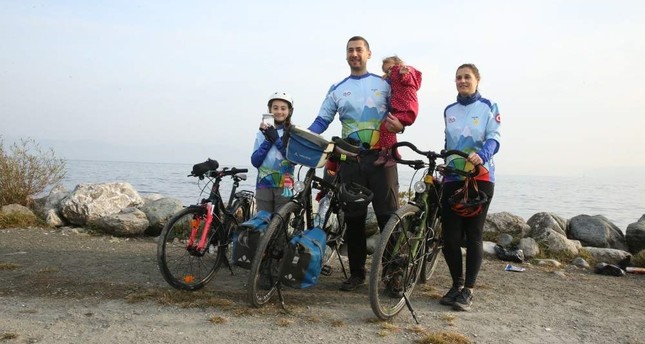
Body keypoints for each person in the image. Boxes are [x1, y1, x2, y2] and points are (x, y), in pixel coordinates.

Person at [308, 36, 406, 291]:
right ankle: (357, 274)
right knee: (354, 219)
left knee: (388, 218)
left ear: (369, 54)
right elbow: (322, 121)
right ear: (346, 55)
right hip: (351, 160)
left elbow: (403, 108)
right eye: (350, 50)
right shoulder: (338, 88)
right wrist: (304, 135)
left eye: (359, 50)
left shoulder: (384, 84)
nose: (354, 54)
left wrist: (403, 125)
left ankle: (392, 275)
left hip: (382, 158)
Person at [439, 64, 501, 311]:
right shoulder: (449, 110)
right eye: (458, 77)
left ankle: (469, 290)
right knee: (450, 238)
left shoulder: (488, 106)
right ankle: (456, 285)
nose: (462, 81)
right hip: (453, 177)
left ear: (477, 79)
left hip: (480, 177)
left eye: (467, 77)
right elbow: (448, 141)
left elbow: (495, 137)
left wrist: (483, 154)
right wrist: (445, 162)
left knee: (474, 234)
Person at [250, 92, 296, 213]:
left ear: (290, 111)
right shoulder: (261, 134)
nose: (279, 111)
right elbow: (255, 161)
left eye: (283, 108)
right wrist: (268, 139)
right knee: (261, 224)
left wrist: (276, 138)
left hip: (285, 187)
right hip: (263, 185)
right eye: (275, 108)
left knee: (280, 226)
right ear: (269, 110)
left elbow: (293, 159)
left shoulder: (293, 133)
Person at [374, 56, 422, 167]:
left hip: (407, 109)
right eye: (387, 71)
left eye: (390, 68)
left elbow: (409, 79)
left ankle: (392, 155)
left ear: (398, 63)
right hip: (402, 109)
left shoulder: (405, 72)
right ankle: (387, 152)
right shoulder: (395, 78)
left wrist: (404, 73)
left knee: (388, 127)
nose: (390, 72)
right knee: (384, 127)